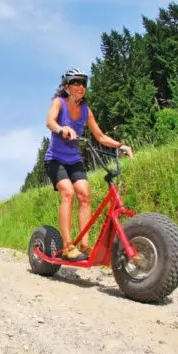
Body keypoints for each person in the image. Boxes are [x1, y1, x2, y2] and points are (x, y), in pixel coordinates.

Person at [45, 67, 133, 261]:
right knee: (68, 193)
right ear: (67, 86)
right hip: (55, 159)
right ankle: (68, 246)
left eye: (83, 83)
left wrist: (121, 145)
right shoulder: (59, 102)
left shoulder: (86, 110)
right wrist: (62, 129)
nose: (80, 87)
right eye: (76, 82)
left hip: (74, 159)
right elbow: (50, 122)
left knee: (85, 196)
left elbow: (100, 136)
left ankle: (84, 246)